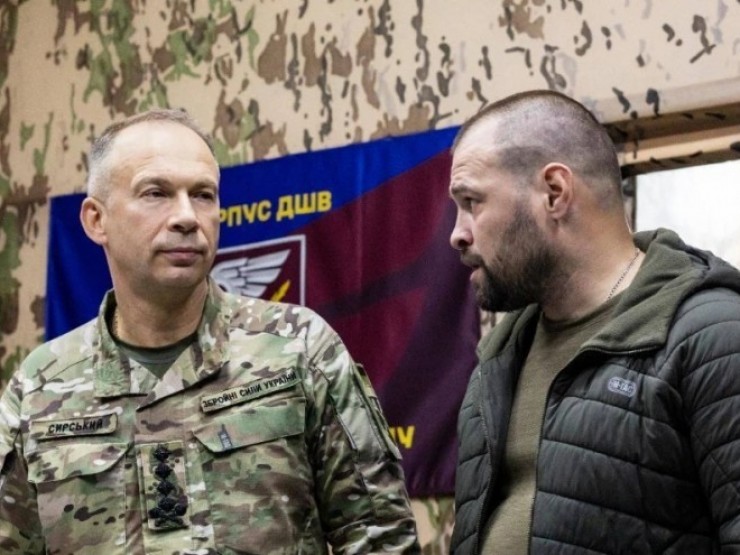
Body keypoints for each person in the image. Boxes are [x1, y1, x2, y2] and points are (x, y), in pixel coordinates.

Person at [0, 109, 420, 554]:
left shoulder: (298, 348)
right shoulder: (40, 386)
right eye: (156, 193)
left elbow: (381, 539)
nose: (187, 217)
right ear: (95, 220)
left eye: (203, 195)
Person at [448, 90, 740, 554]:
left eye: (471, 201)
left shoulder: (712, 335)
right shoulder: (498, 360)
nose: (457, 234)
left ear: (554, 192)